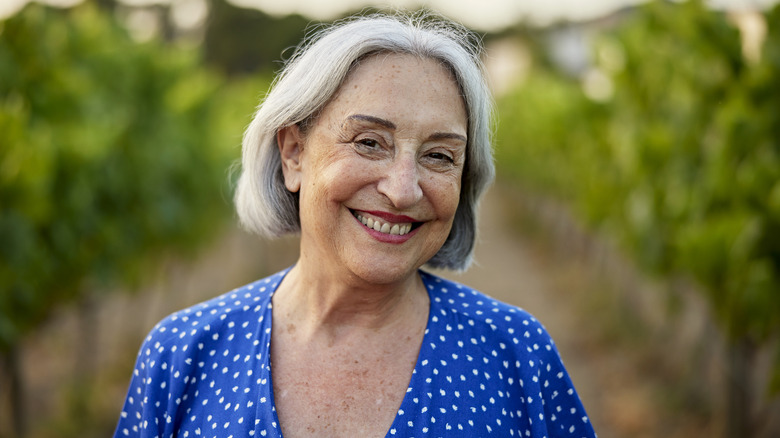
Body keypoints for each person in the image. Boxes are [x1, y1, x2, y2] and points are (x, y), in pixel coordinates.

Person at [114, 12, 596, 438]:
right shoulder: (182, 355)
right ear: (293, 154)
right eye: (369, 143)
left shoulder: (517, 354)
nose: (404, 189)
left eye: (438, 156)